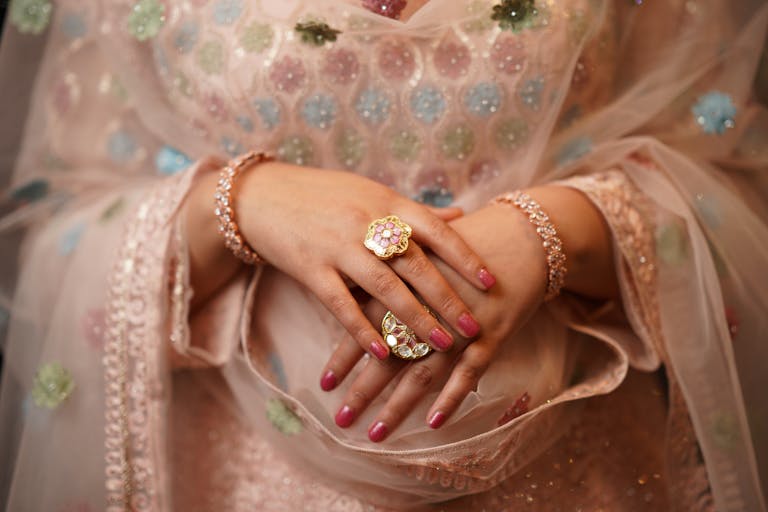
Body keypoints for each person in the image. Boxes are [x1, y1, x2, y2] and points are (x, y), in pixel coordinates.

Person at [0, 0, 766, 510]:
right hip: (239, 475)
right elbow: (62, 221)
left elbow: (725, 169)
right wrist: (244, 203)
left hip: (572, 470)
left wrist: (554, 232)